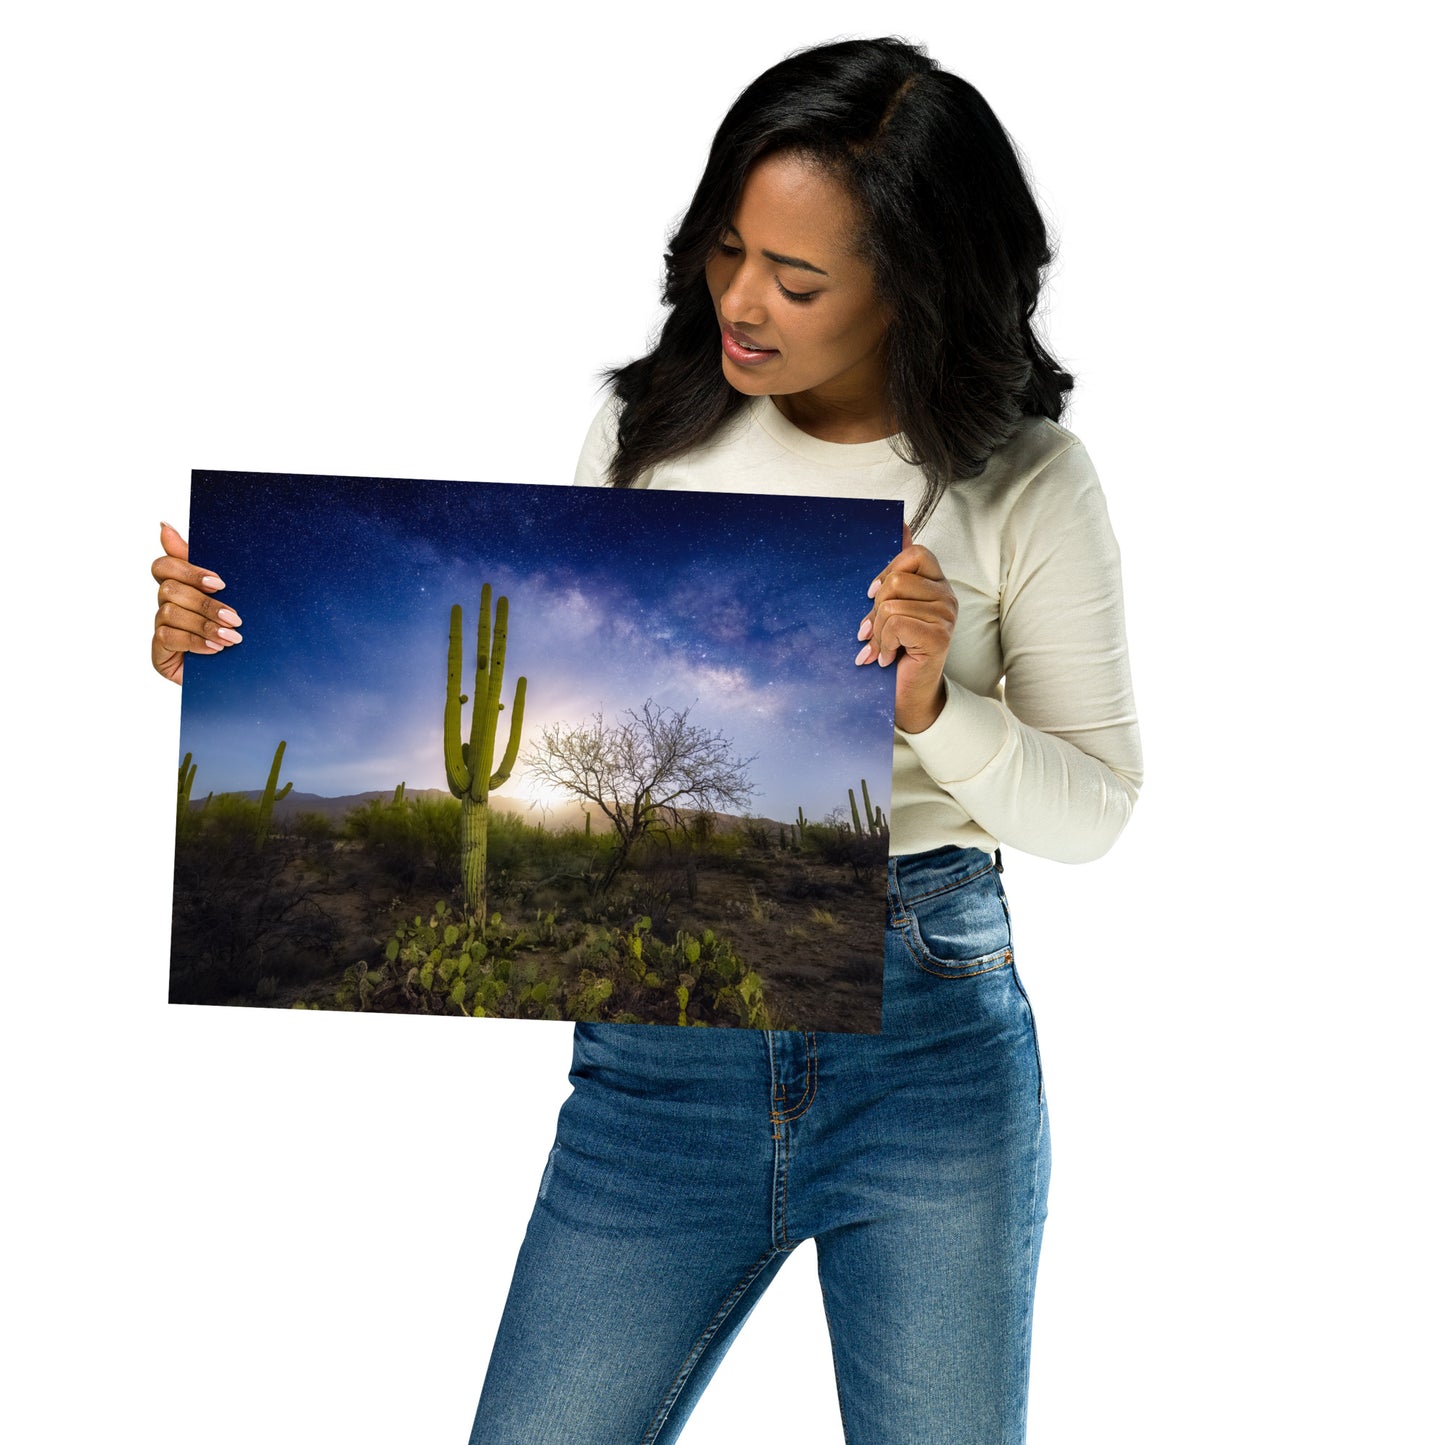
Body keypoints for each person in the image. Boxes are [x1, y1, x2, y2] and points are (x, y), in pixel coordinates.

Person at [152, 36, 1142, 1444]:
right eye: (726, 250)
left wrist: (932, 707)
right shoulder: (642, 426)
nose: (740, 300)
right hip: (656, 1074)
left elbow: (1095, 810)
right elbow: (552, 710)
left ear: (913, 287)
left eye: (796, 280)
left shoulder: (1028, 478)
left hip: (926, 1050)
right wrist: (230, 644)